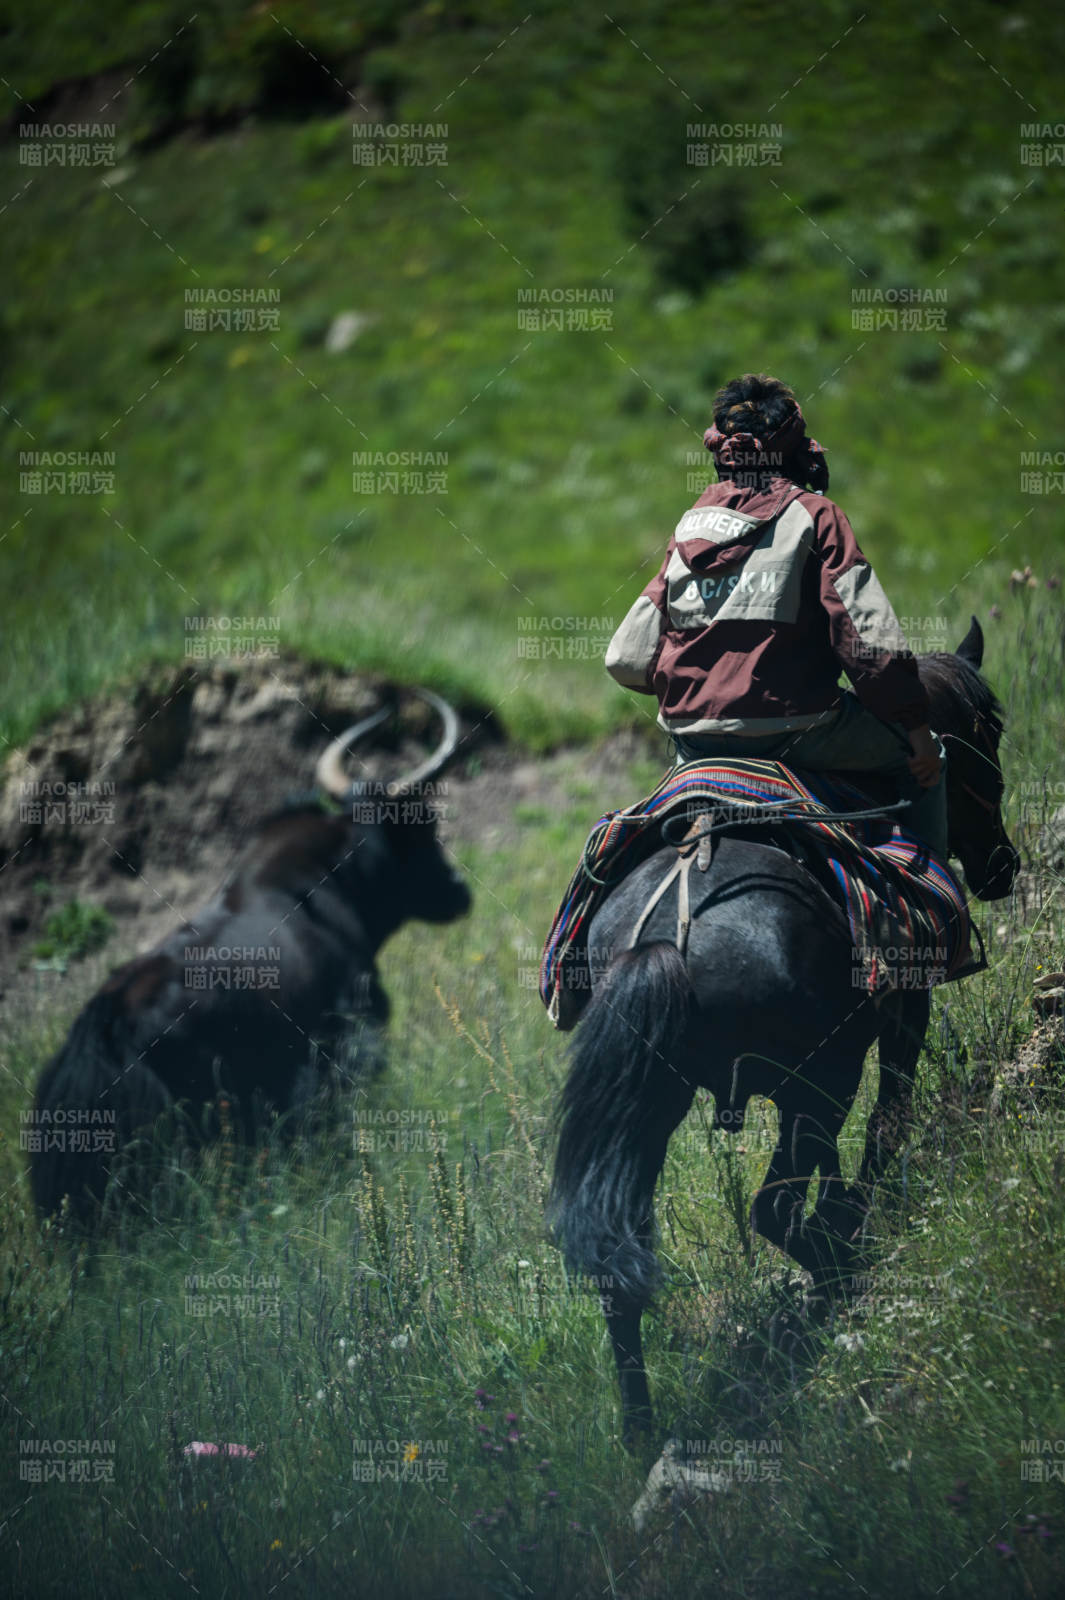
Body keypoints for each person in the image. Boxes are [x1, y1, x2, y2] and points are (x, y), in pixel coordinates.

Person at [604, 372, 948, 859]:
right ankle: (936, 909)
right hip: (798, 731)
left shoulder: (687, 528)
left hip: (694, 745)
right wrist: (914, 726)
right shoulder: (816, 515)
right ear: (792, 447)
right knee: (926, 760)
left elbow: (624, 658)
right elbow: (869, 642)